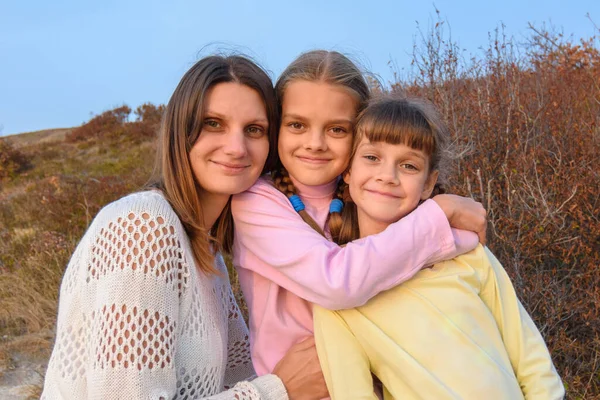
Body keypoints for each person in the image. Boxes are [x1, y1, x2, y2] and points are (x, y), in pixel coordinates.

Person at [41, 55, 327, 399]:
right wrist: (278, 390)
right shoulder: (143, 226)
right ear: (181, 130)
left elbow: (238, 377)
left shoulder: (206, 251)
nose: (236, 148)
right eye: (213, 123)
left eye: (254, 130)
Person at [231, 50, 487, 377]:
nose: (315, 143)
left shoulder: (367, 190)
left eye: (337, 130)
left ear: (361, 133)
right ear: (277, 126)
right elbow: (337, 282)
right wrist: (442, 211)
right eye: (297, 125)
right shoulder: (256, 201)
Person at [312, 95, 565, 399]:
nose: (387, 176)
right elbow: (354, 393)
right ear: (348, 171)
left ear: (429, 184)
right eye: (372, 157)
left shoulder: (467, 253)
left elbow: (527, 351)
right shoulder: (336, 296)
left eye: (408, 165)